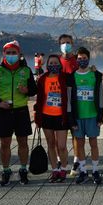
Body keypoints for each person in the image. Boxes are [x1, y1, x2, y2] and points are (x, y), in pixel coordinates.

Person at [0, 40, 37, 186]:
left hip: (21, 111)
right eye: (8, 53)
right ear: (3, 54)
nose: (11, 55)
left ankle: (23, 169)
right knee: (5, 143)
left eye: (14, 53)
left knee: (23, 142)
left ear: (19, 54)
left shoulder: (26, 70)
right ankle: (6, 170)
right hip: (4, 112)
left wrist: (27, 91)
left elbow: (34, 90)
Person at [67, 47, 103, 184]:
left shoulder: (95, 75)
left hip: (92, 115)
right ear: (76, 60)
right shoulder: (72, 77)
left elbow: (100, 97)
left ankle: (95, 171)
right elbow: (69, 99)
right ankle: (83, 171)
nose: (82, 61)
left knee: (93, 143)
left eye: (84, 58)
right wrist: (71, 119)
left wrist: (100, 116)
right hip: (78, 117)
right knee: (80, 144)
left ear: (88, 59)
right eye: (79, 59)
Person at [34, 54, 71, 183]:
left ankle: (64, 169)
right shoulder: (43, 79)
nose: (53, 65)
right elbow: (39, 99)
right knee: (50, 144)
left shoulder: (65, 78)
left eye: (56, 63)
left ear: (60, 65)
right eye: (51, 63)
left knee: (61, 146)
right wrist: (37, 118)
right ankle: (54, 170)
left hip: (61, 116)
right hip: (46, 115)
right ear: (47, 65)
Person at [58, 34, 81, 177]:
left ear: (72, 43)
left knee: (76, 135)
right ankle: (61, 161)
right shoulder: (56, 62)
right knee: (60, 137)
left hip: (76, 104)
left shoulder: (78, 61)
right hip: (60, 105)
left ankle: (77, 161)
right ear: (59, 45)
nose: (65, 45)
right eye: (63, 43)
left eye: (68, 42)